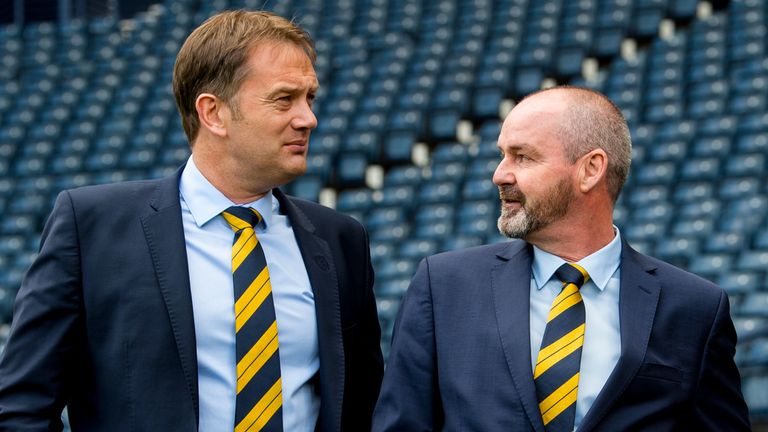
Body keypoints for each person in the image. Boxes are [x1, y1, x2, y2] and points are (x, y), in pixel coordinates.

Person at [0, 10, 383, 431]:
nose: (307, 118)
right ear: (213, 113)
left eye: (309, 98)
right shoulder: (92, 228)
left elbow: (364, 407)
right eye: (284, 99)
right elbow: (22, 407)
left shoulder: (341, 239)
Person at [372, 86, 750, 431]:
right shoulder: (443, 286)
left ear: (590, 169)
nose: (499, 175)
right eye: (502, 155)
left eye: (522, 157)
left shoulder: (695, 308)